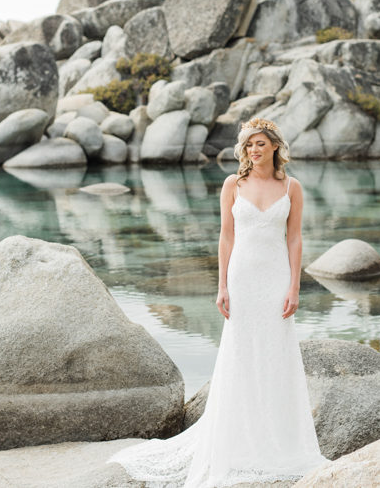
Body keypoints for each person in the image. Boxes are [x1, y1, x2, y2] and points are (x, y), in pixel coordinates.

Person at [110, 118, 327, 486]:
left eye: (260, 143)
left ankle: (278, 439)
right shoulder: (233, 184)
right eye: (249, 145)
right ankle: (237, 439)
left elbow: (294, 240)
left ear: (274, 146)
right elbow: (226, 238)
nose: (254, 150)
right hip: (242, 280)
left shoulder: (292, 187)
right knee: (240, 356)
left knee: (276, 355)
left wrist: (295, 286)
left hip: (275, 280)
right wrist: (222, 284)